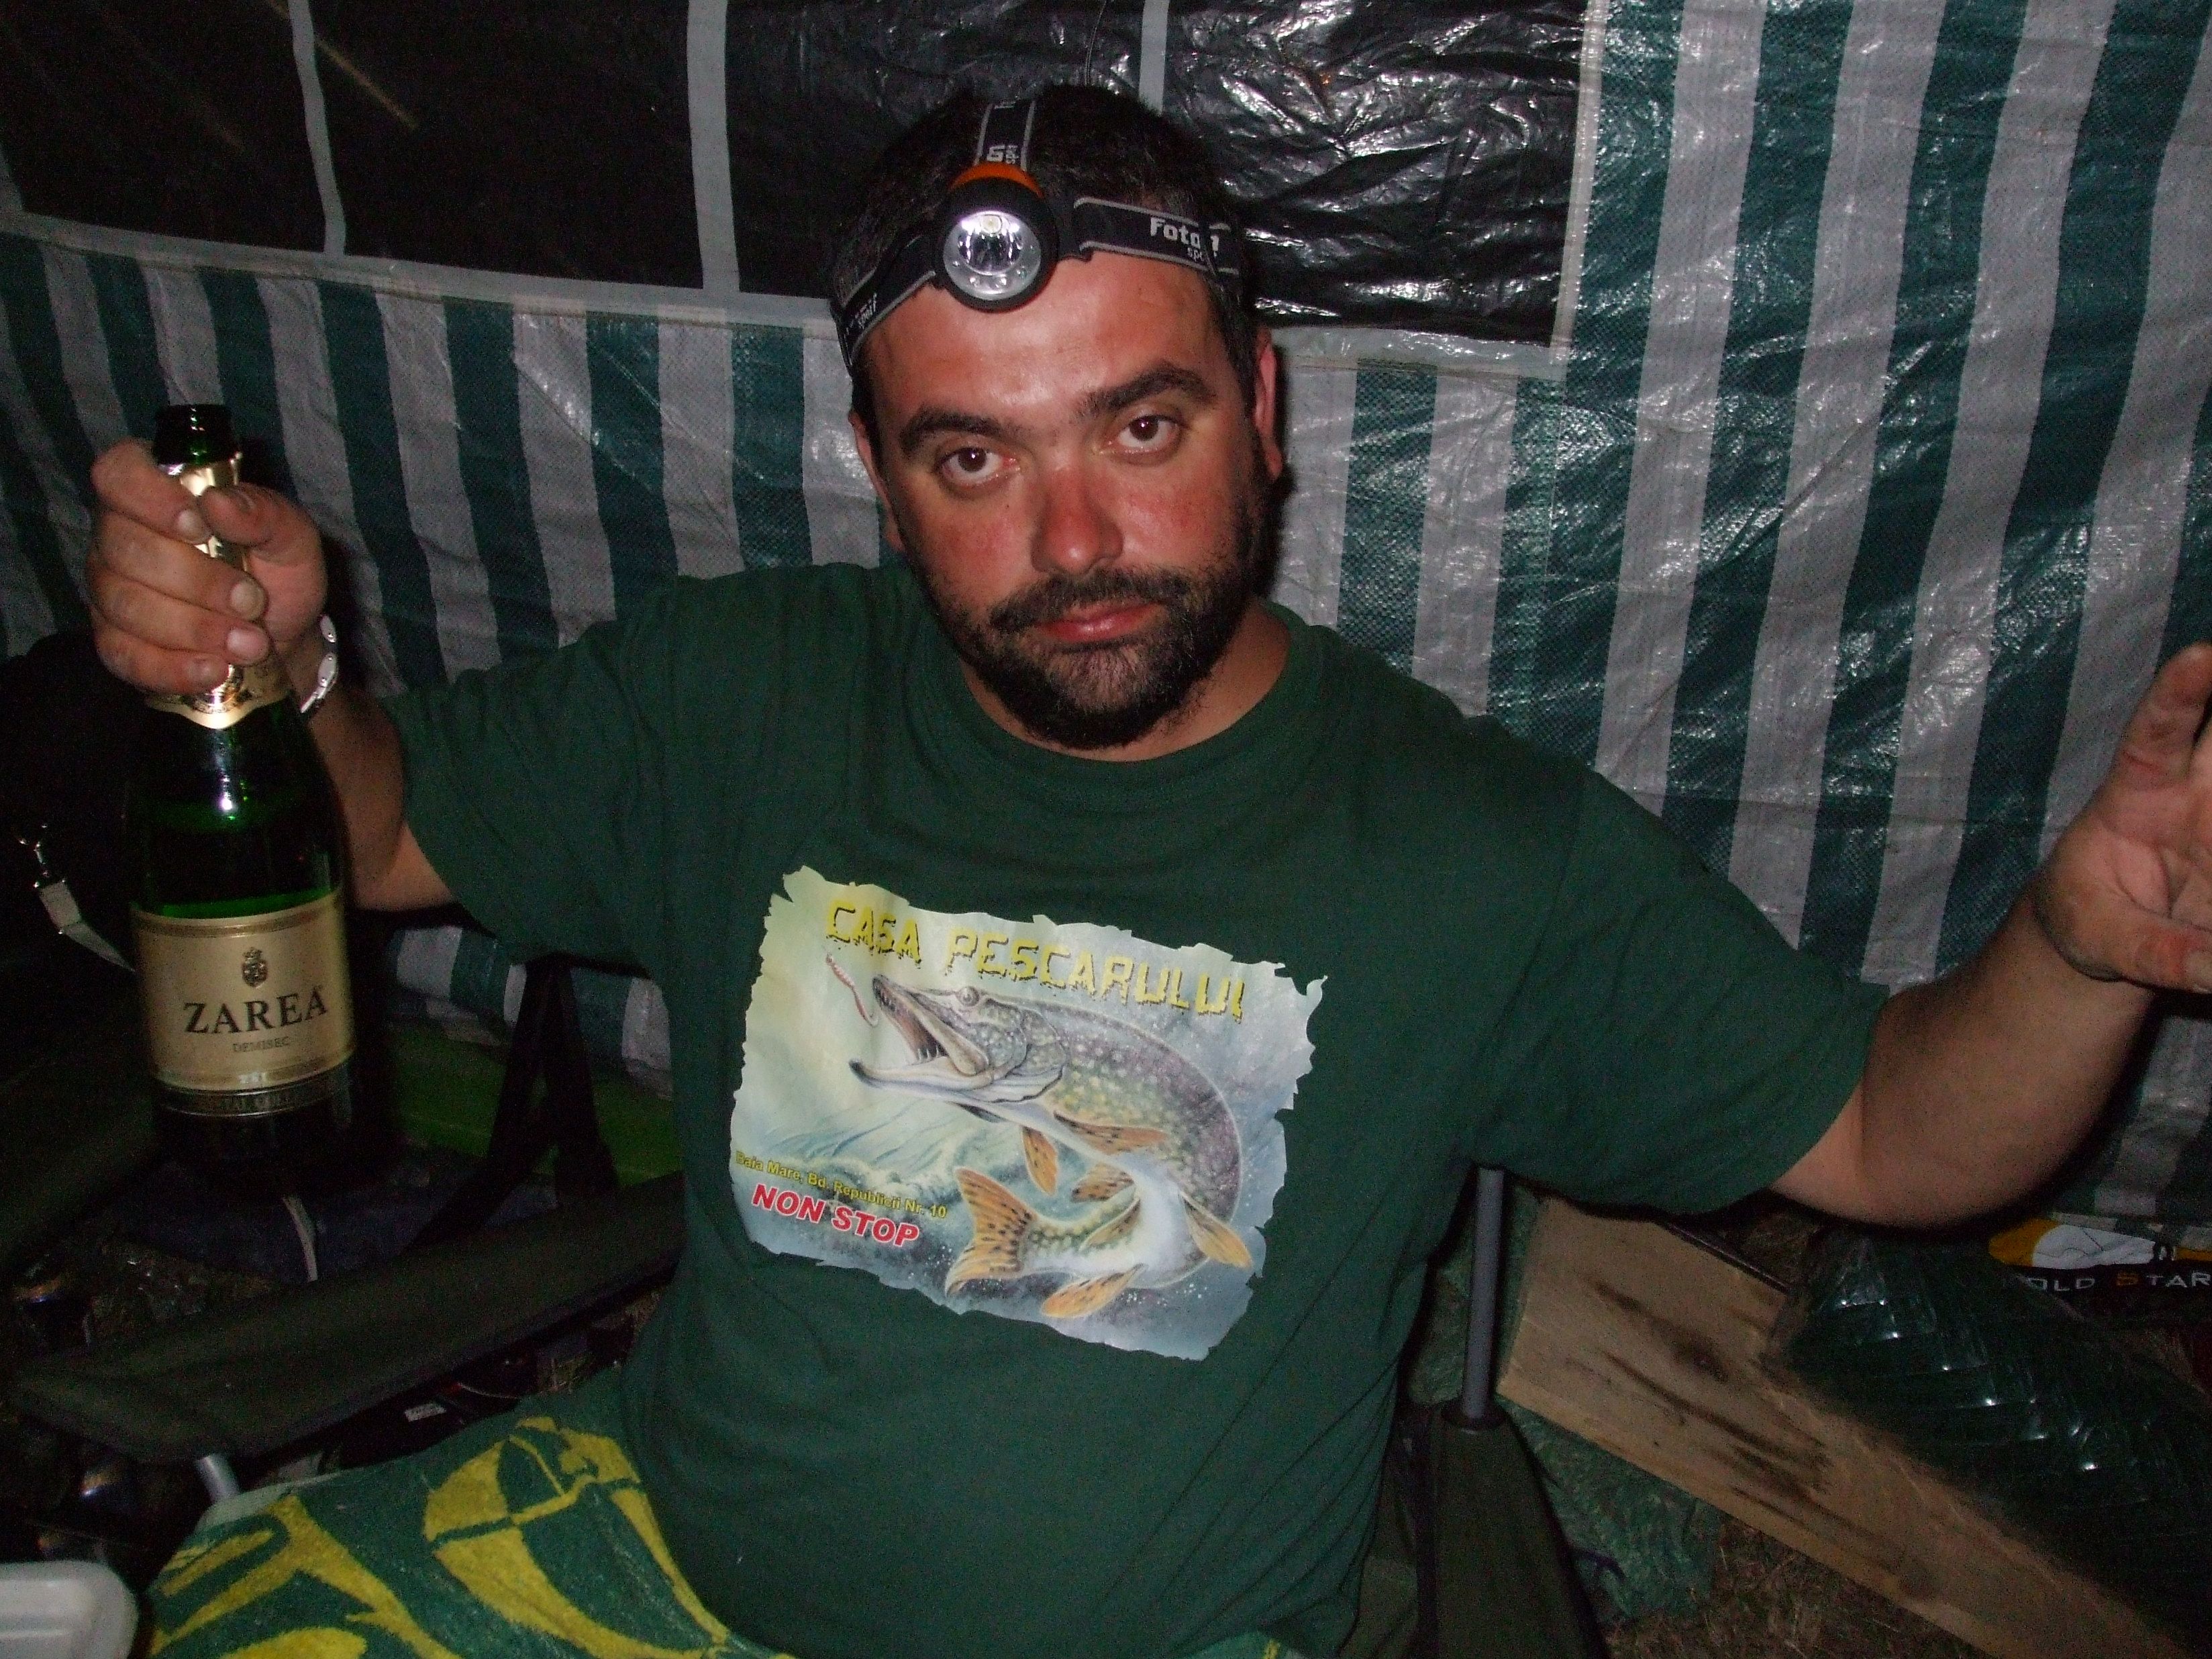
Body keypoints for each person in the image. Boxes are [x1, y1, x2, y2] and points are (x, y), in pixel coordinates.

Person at [85, 83, 2212, 1659]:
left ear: (1261, 409)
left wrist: (2080, 945)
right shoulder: (741, 693)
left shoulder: (1467, 848)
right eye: (975, 456)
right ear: (882, 474)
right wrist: (273, 672)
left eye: (1143, 426)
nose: (1076, 542)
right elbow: (377, 832)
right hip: (663, 1560)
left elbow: (1895, 1133)